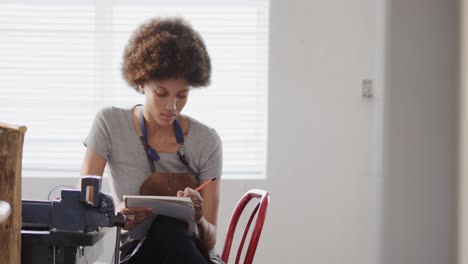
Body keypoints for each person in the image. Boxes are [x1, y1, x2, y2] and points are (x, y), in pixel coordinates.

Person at [80, 17, 223, 264]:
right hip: (137, 252)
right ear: (141, 82)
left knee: (171, 232)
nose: (172, 106)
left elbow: (210, 241)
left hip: (192, 252)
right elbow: (84, 211)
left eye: (182, 95)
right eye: (161, 93)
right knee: (163, 233)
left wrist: (198, 217)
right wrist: (115, 216)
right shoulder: (110, 124)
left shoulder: (207, 141)